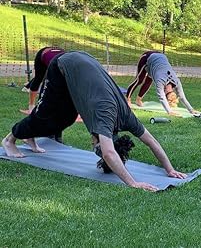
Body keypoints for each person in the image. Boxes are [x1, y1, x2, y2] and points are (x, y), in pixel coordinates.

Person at [2, 51, 186, 192]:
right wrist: (134, 183)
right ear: (100, 140)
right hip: (63, 65)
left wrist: (169, 169)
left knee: (65, 119)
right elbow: (108, 153)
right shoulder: (103, 119)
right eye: (95, 145)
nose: (92, 143)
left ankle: (30, 137)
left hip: (82, 63)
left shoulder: (127, 118)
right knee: (44, 115)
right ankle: (10, 139)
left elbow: (151, 142)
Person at [126, 51, 197, 116]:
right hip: (147, 57)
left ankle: (138, 99)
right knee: (139, 80)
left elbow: (182, 97)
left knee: (149, 80)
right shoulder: (161, 81)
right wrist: (169, 111)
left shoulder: (177, 81)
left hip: (158, 63)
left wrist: (191, 110)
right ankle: (127, 98)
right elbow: (162, 97)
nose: (163, 91)